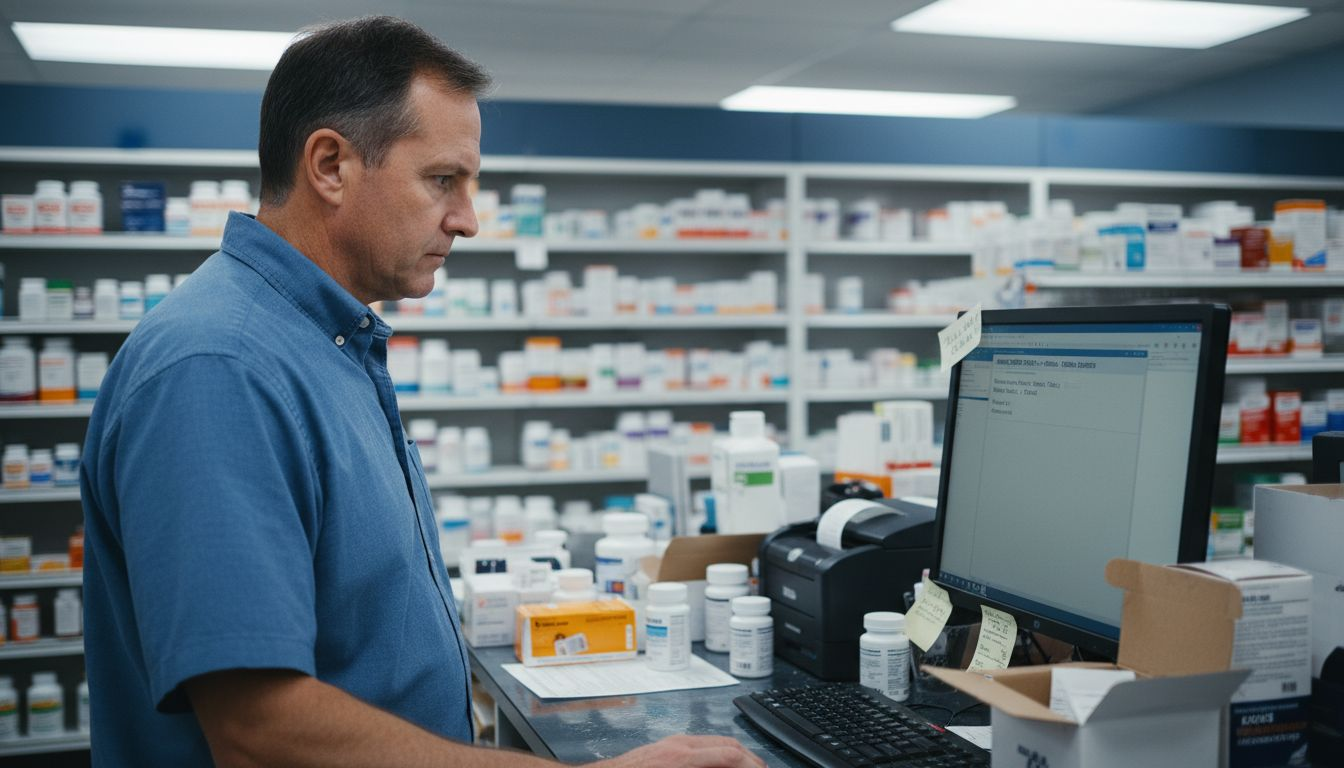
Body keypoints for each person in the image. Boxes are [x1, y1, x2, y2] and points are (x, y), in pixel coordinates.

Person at [80, 16, 764, 768]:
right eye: (444, 179)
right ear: (331, 165)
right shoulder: (219, 366)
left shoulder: (325, 342)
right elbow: (260, 729)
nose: (468, 220)